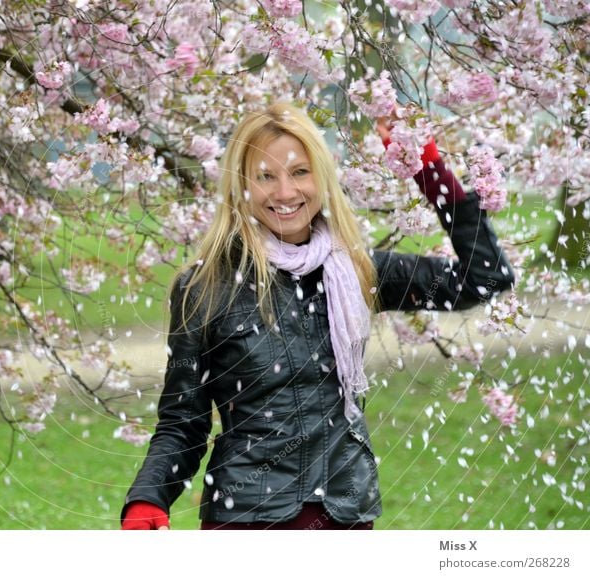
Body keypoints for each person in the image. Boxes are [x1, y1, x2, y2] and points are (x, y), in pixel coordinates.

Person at [119, 101, 515, 530]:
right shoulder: (205, 287)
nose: (285, 193)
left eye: (300, 172)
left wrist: (430, 172)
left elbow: (485, 278)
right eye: (266, 176)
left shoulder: (359, 270)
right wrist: (148, 498)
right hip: (247, 521)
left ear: (322, 179)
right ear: (241, 185)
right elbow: (184, 420)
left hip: (345, 518)